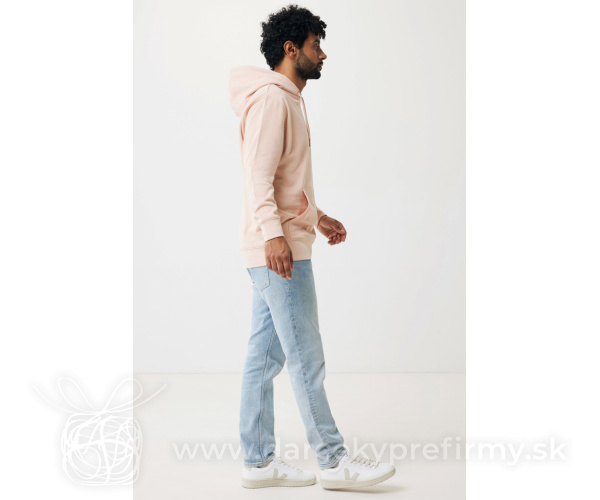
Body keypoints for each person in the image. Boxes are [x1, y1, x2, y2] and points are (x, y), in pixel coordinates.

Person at [228, 4, 395, 490]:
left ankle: (258, 463)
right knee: (305, 355)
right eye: (316, 45)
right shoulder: (272, 100)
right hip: (277, 250)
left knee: (266, 358)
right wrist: (274, 235)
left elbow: (286, 181)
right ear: (291, 49)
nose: (323, 54)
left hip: (280, 242)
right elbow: (257, 177)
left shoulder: (288, 100)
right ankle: (334, 461)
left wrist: (317, 218)